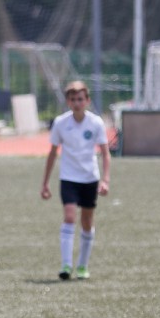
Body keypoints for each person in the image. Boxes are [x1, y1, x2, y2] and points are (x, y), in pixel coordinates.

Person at [39, 80, 112, 280]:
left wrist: (105, 180)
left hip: (89, 178)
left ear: (87, 100)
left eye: (80, 99)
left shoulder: (95, 122)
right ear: (68, 102)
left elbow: (105, 153)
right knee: (70, 217)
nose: (77, 103)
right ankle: (66, 265)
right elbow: (52, 153)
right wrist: (45, 182)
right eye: (73, 99)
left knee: (87, 221)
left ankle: (82, 265)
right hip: (69, 178)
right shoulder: (61, 123)